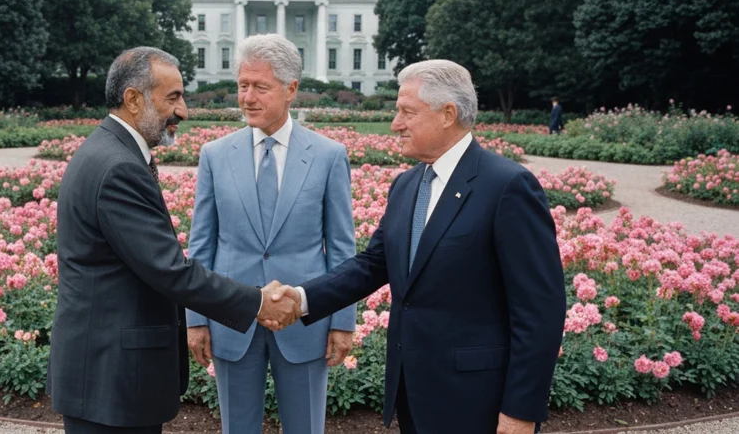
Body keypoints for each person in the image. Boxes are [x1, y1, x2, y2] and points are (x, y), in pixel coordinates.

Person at [274, 60, 566, 434]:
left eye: (406, 112)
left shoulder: (508, 186)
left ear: (448, 114)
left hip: (480, 402)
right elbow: (372, 264)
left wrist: (521, 411)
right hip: (414, 393)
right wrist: (299, 298)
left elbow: (540, 309)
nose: (395, 124)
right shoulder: (407, 185)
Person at [47, 46, 300, 434]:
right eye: (173, 97)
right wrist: (259, 302)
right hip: (111, 378)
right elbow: (170, 270)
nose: (182, 110)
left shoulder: (110, 152)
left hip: (107, 376)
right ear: (133, 99)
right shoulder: (118, 168)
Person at [186, 34, 356, 434]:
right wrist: (195, 318)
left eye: (260, 87)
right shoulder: (214, 154)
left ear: (291, 89)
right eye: (243, 86)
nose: (247, 97)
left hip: (304, 322)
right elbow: (201, 245)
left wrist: (343, 321)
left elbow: (343, 248)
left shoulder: (329, 155)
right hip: (232, 321)